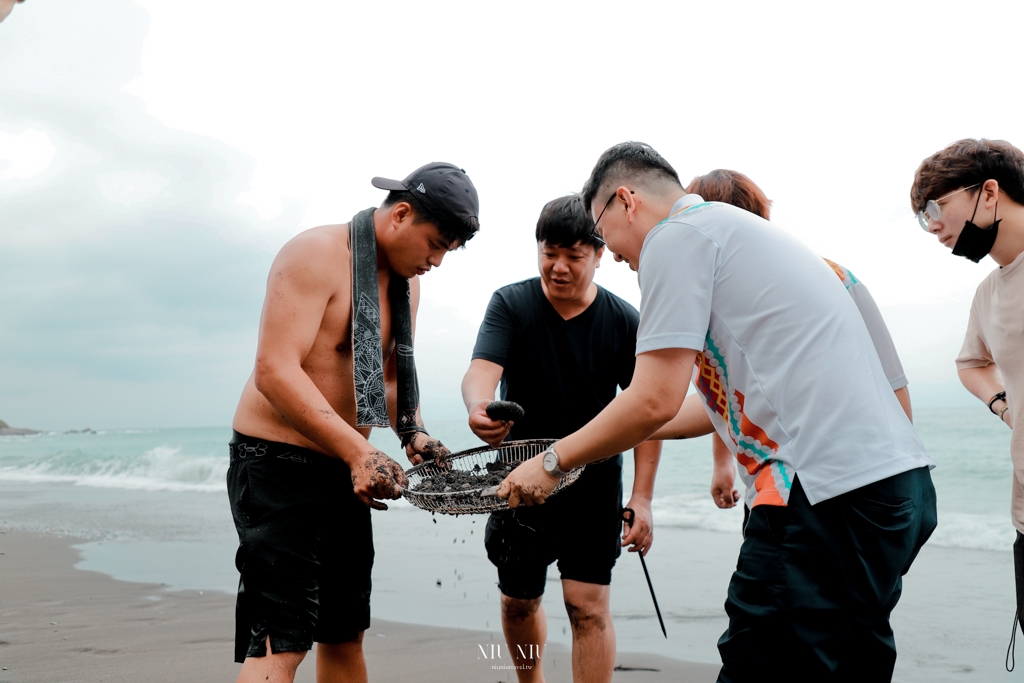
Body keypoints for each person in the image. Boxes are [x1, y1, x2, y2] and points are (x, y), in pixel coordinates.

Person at [499, 142, 936, 682]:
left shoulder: (675, 236)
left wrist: (551, 463)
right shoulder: (783, 253)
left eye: (601, 230)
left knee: (759, 668)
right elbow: (684, 409)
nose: (610, 252)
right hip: (898, 491)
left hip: (820, 501)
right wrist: (591, 440)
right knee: (852, 663)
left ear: (624, 201)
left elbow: (652, 399)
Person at [228, 162, 479, 683]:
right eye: (435, 244)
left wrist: (413, 432)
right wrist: (358, 451)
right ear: (401, 215)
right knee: (283, 637)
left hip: (346, 469)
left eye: (446, 252)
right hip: (275, 465)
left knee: (344, 632)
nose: (436, 260)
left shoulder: (406, 286)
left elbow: (383, 383)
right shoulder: (315, 253)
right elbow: (275, 371)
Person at [461, 194, 661, 683]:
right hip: (520, 481)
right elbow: (482, 371)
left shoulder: (624, 321)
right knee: (517, 602)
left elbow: (648, 413)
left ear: (599, 254)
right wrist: (478, 408)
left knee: (587, 607)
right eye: (550, 252)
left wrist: (642, 497)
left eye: (575, 255)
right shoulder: (512, 303)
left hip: (593, 484)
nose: (560, 267)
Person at [683, 170, 913, 521]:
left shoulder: (823, 279)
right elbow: (737, 392)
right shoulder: (827, 274)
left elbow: (891, 383)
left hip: (817, 488)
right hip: (838, 484)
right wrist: (722, 463)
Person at [912, 137, 1024, 640]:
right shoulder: (989, 291)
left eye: (937, 207)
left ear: (990, 191)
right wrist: (1006, 407)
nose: (932, 225)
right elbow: (970, 363)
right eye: (922, 215)